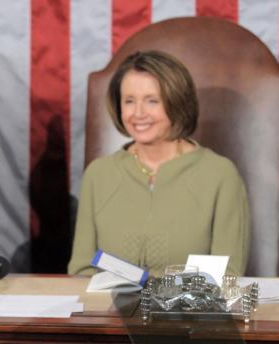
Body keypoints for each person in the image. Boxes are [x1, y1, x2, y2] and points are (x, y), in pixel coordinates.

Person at [68, 51, 250, 277]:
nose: (138, 113)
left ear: (177, 102)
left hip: (190, 311)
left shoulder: (220, 175)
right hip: (110, 310)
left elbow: (227, 275)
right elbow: (81, 270)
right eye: (129, 101)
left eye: (152, 101)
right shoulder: (98, 174)